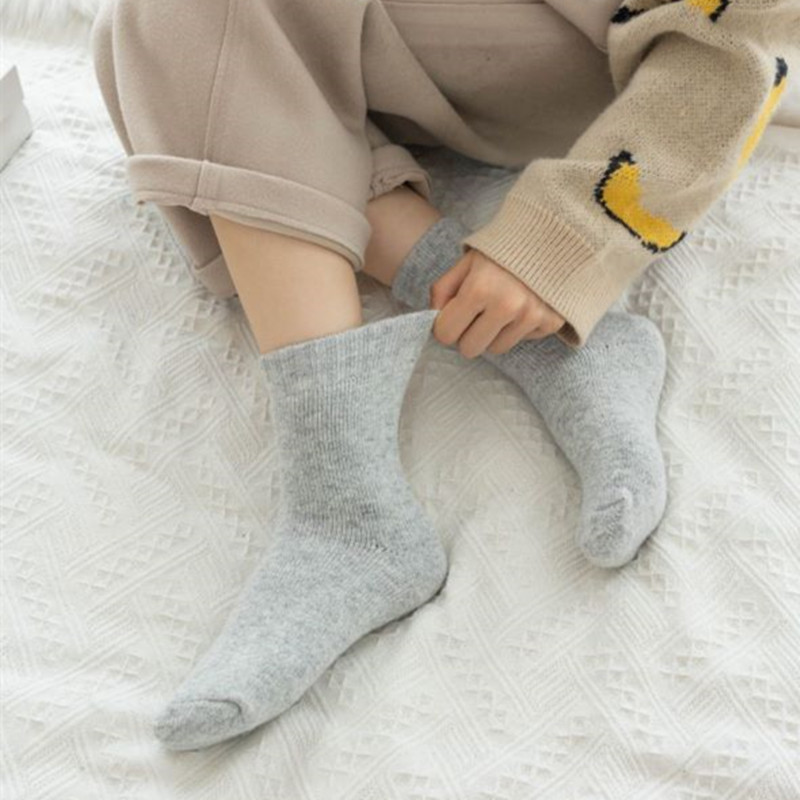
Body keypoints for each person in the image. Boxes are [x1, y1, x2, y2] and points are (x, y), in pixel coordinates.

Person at [89, 0, 794, 751]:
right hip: (418, 49)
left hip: (626, 65)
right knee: (158, 31)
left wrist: (558, 241)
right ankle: (421, 437)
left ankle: (346, 508)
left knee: (191, 32)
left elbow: (740, 40)